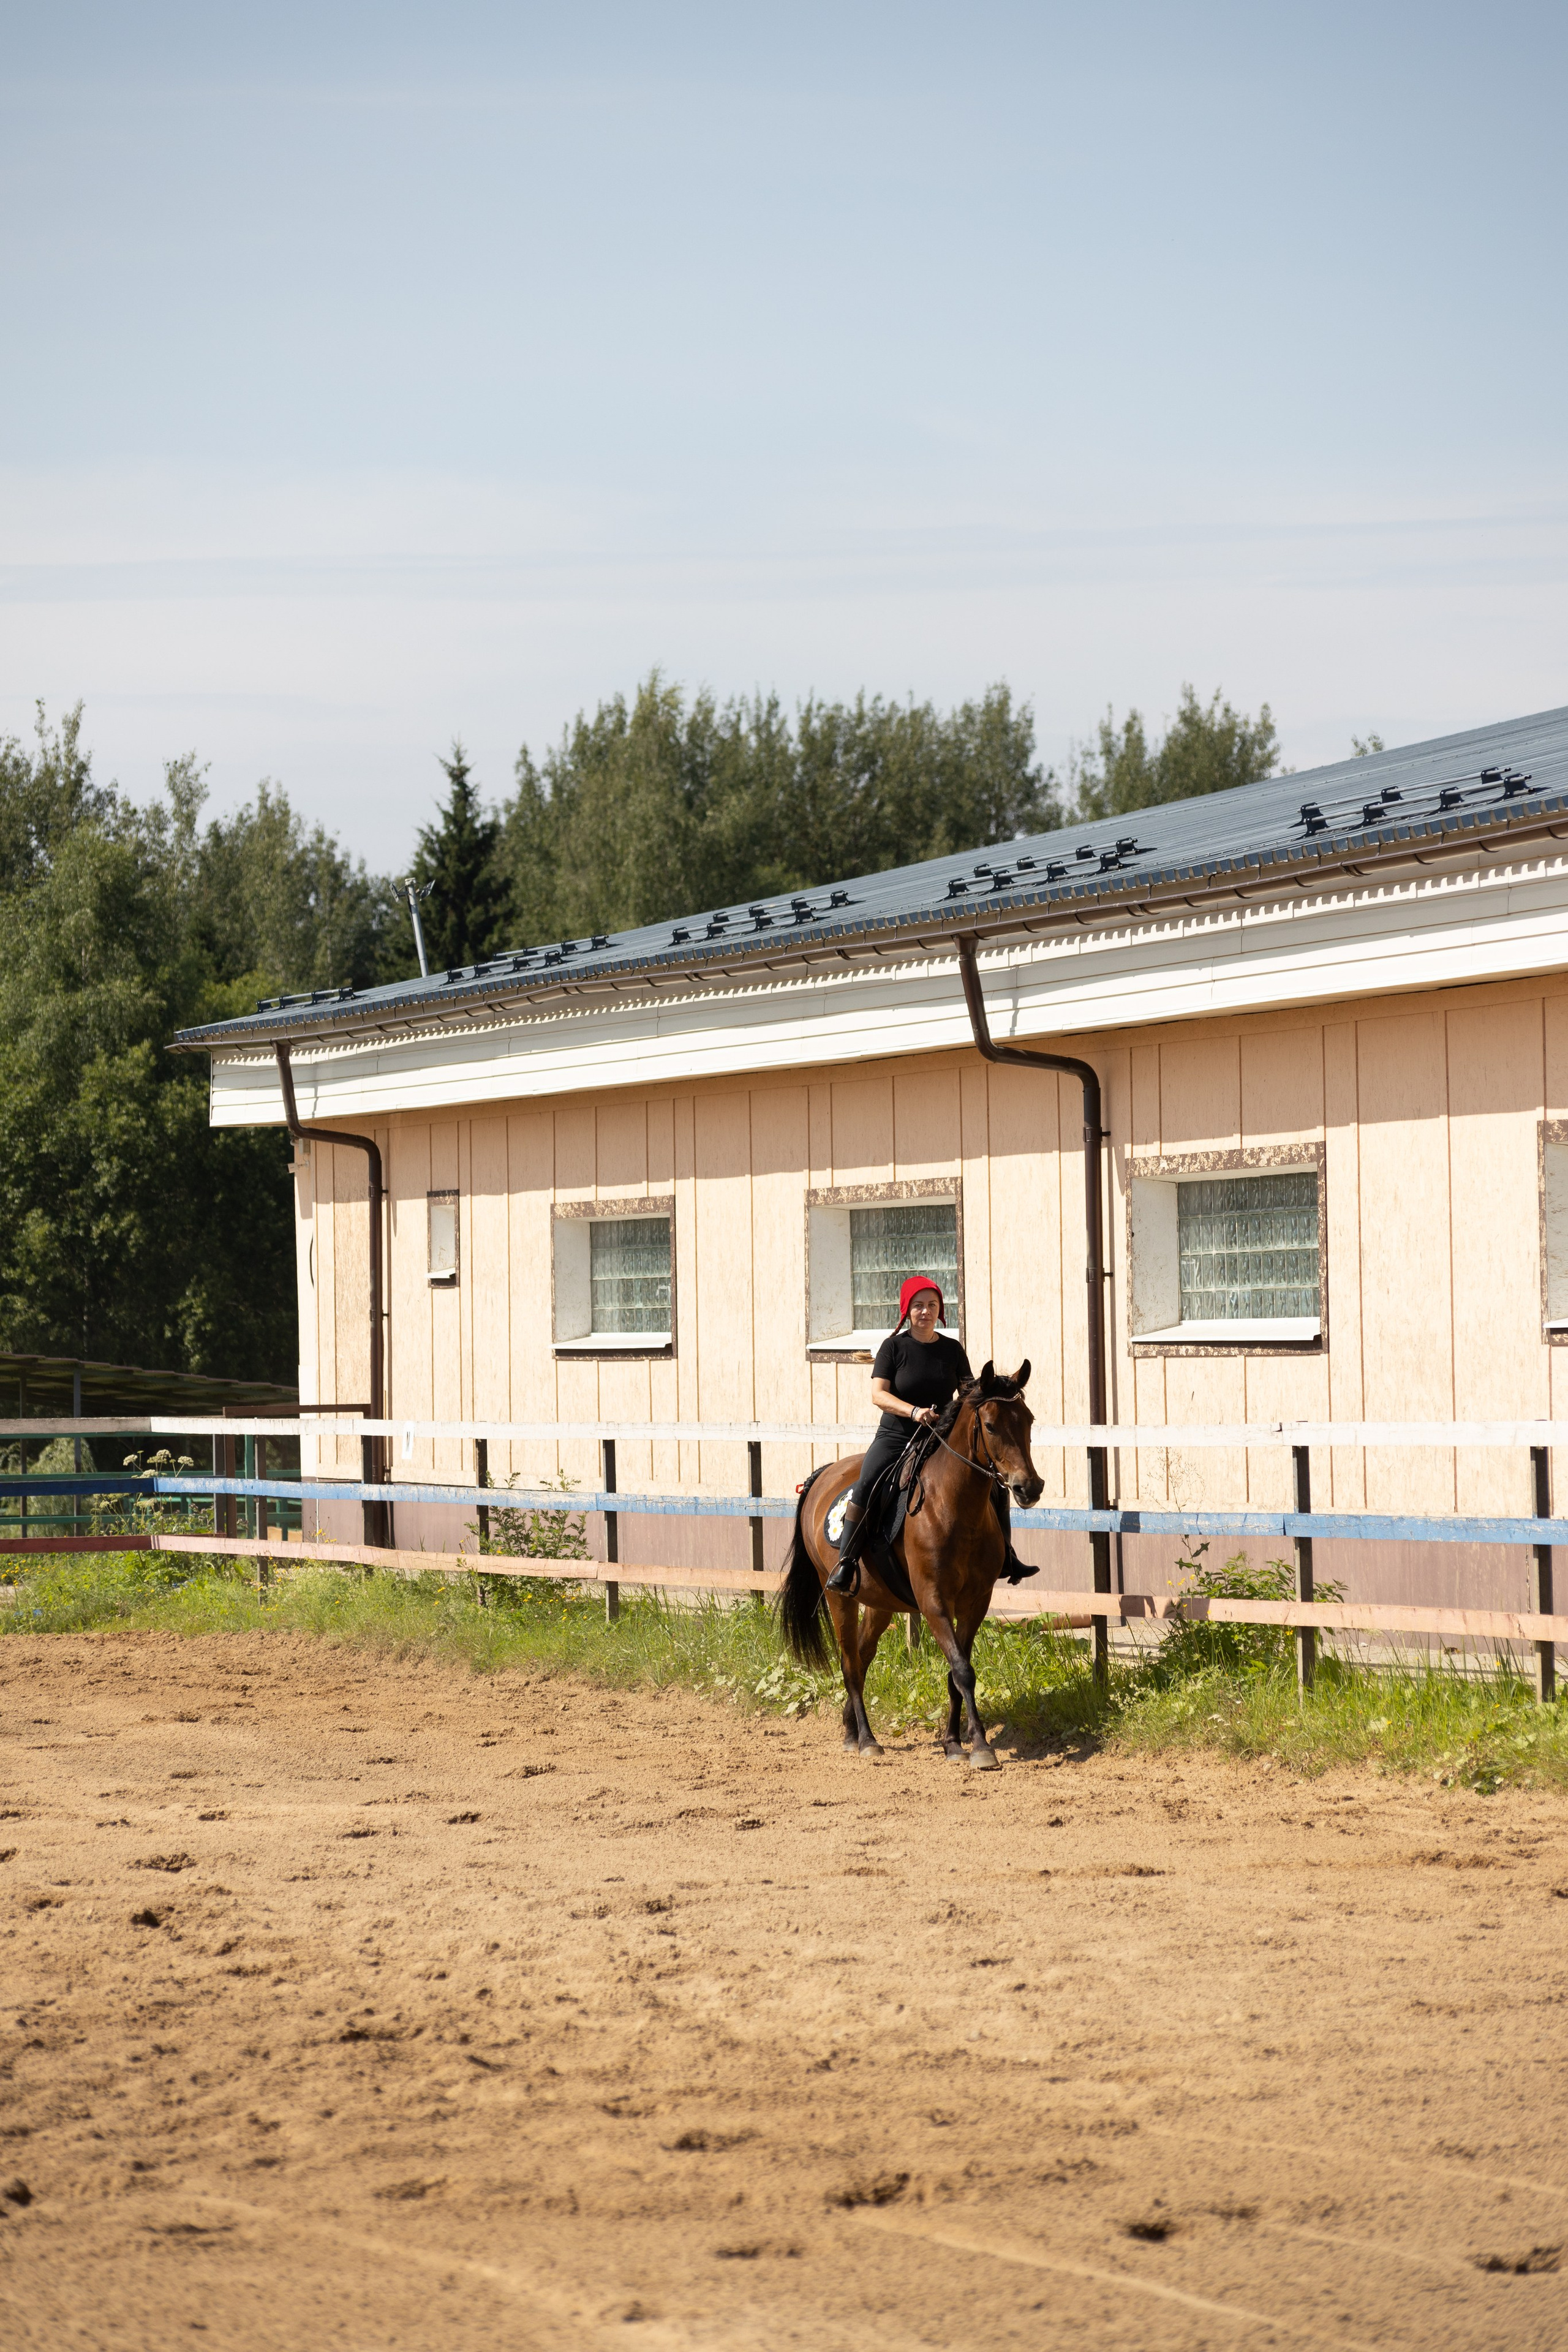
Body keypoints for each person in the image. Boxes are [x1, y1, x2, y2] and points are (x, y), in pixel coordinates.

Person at [826, 1275, 1028, 1593]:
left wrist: (997, 1390)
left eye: (932, 1305)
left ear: (940, 1310)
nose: (926, 1312)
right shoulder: (893, 1347)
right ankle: (846, 1563)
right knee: (867, 1483)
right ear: (907, 1310)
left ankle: (1007, 1556)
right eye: (918, 1306)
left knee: (995, 1484)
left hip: (939, 1437)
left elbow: (968, 1393)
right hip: (896, 1436)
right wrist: (914, 1412)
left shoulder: (952, 1349)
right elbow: (878, 1395)